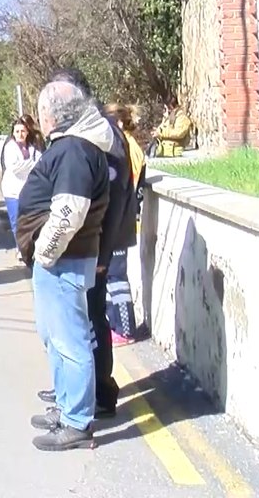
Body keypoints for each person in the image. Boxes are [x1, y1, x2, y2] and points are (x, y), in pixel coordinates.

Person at [32, 68, 137, 425]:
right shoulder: (85, 134)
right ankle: (75, 392)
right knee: (75, 325)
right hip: (85, 249)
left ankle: (99, 394)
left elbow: (112, 200)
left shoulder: (99, 137)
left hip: (91, 251)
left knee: (89, 324)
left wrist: (104, 255)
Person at [16, 80, 113, 451]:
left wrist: (43, 252)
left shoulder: (73, 149)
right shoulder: (74, 146)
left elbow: (69, 211)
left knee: (70, 342)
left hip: (63, 261)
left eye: (43, 112)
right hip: (63, 260)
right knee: (56, 338)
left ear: (52, 115)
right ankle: (66, 405)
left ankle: (76, 421)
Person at [103, 103, 146, 346]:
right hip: (119, 219)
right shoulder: (124, 143)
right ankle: (116, 326)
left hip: (121, 220)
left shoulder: (126, 146)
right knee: (111, 276)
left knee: (117, 277)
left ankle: (125, 329)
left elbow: (128, 183)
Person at [0, 115, 44, 260]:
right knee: (16, 221)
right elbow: (14, 168)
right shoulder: (9, 147)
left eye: (23, 131)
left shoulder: (32, 147)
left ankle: (29, 247)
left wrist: (30, 164)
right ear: (13, 133)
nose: (20, 134)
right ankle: (20, 249)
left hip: (27, 190)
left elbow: (41, 161)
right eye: (17, 131)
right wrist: (32, 164)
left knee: (29, 220)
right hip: (12, 191)